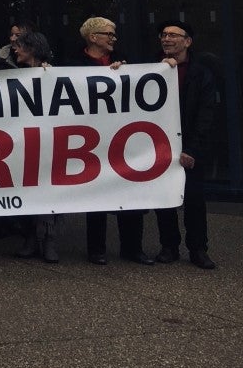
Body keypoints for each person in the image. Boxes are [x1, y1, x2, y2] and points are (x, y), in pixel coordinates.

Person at [67, 16, 152, 266]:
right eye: (109, 34)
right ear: (93, 38)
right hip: (91, 140)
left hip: (123, 138)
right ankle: (96, 249)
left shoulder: (125, 62)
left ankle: (132, 248)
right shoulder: (73, 65)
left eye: (114, 35)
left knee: (130, 191)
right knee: (97, 195)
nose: (114, 38)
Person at [154, 22, 217, 269]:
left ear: (187, 42)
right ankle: (169, 247)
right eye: (164, 35)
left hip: (190, 146)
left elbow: (206, 114)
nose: (166, 39)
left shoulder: (201, 73)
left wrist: (192, 149)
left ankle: (198, 249)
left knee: (194, 199)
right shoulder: (150, 68)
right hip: (159, 146)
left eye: (173, 35)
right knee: (164, 199)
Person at [10, 31, 60, 263]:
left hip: (48, 143)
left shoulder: (53, 74)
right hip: (22, 144)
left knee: (48, 192)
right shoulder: (12, 75)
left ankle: (49, 239)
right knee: (26, 190)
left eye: (19, 46)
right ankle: (30, 237)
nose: (15, 50)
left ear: (32, 48)